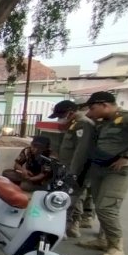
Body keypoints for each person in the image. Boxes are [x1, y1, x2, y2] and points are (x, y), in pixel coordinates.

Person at [75, 92, 128, 255]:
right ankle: (104, 239)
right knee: (98, 202)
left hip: (120, 170)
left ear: (105, 105)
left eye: (93, 108)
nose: (90, 112)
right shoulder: (104, 122)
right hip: (100, 168)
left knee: (107, 207)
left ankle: (117, 247)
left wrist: (127, 156)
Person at [48, 100, 96, 237]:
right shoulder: (74, 124)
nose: (60, 119)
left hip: (77, 170)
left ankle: (67, 226)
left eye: (61, 115)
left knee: (71, 199)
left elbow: (81, 152)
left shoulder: (83, 124)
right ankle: (66, 226)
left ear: (70, 112)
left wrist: (74, 172)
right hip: (69, 168)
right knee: (69, 197)